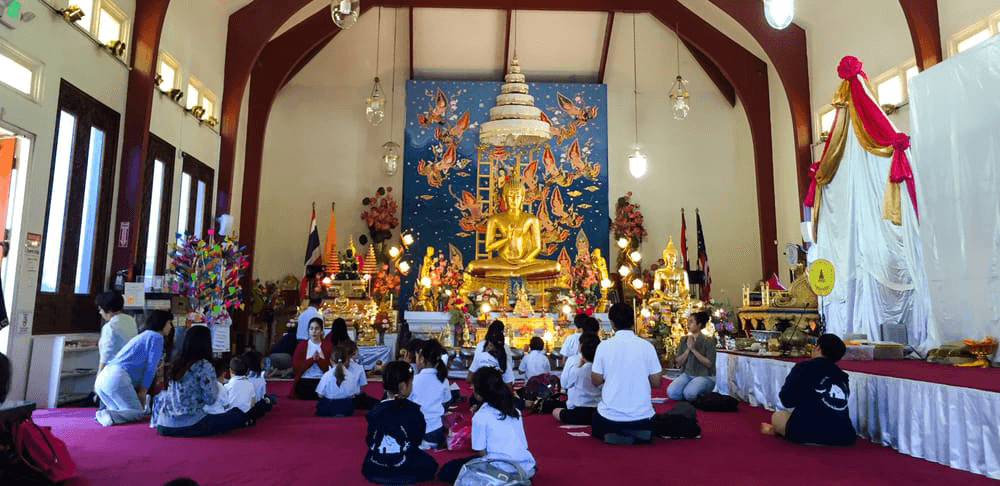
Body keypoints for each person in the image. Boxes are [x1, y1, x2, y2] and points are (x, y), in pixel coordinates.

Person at [438, 368, 536, 484]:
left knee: (448, 470)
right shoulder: (514, 411)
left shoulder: (481, 416)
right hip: (524, 467)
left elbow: (481, 451)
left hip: (498, 467)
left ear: (480, 392)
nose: (472, 389)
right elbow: (523, 443)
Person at [761, 334, 856, 446]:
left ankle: (778, 431)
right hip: (843, 435)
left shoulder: (803, 368)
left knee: (777, 416)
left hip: (807, 432)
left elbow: (787, 401)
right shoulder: (843, 376)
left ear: (818, 348)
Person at [152, 325, 245, 437]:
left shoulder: (176, 363)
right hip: (191, 424)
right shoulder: (204, 365)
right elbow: (211, 399)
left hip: (164, 424)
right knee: (237, 414)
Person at [590, 303, 662, 445]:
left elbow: (596, 381)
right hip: (641, 419)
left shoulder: (604, 346)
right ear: (634, 321)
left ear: (611, 323)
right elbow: (657, 383)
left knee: (596, 418)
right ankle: (635, 433)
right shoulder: (647, 346)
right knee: (651, 414)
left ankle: (617, 434)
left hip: (609, 418)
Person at [362, 361, 439, 485]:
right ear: (403, 386)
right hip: (404, 466)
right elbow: (417, 439)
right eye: (411, 383)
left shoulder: (375, 410)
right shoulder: (414, 410)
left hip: (376, 469)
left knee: (370, 460)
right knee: (430, 464)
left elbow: (370, 440)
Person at [94, 310, 173, 426]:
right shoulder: (156, 337)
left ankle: (106, 415)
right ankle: (107, 415)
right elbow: (151, 368)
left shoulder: (144, 335)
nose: (170, 327)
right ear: (163, 323)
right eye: (169, 323)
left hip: (104, 377)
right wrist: (143, 391)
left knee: (123, 412)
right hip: (117, 378)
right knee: (137, 413)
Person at [667, 311, 717, 402]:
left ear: (699, 325)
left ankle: (699, 392)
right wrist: (688, 349)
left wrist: (694, 350)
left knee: (689, 394)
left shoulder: (709, 341)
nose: (688, 324)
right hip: (687, 374)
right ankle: (691, 391)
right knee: (672, 393)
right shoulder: (684, 340)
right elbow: (678, 362)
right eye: (687, 321)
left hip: (705, 376)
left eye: (691, 322)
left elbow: (709, 364)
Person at [410, 339, 451, 450]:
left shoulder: (413, 380)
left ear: (422, 359)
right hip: (435, 432)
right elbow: (446, 401)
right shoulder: (443, 380)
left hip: (415, 431)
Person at [553, 333, 601, 425]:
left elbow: (565, 385)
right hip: (597, 410)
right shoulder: (600, 371)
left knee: (555, 411)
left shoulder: (577, 370)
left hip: (579, 410)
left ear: (581, 350)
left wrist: (579, 366)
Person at [315, 344, 364, 417]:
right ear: (346, 361)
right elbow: (355, 394)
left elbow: (320, 394)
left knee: (321, 403)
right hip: (346, 408)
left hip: (329, 408)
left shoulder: (327, 375)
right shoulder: (351, 375)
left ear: (331, 360)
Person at [95, 292, 138, 374]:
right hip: (129, 371)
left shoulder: (110, 327)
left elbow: (105, 357)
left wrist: (98, 378)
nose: (100, 312)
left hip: (111, 373)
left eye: (101, 309)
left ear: (109, 310)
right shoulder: (130, 320)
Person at [291, 318, 333, 399]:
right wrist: (311, 359)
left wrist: (319, 360)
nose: (314, 331)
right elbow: (295, 366)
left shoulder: (328, 346)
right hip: (305, 380)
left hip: (321, 380)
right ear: (308, 330)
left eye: (317, 329)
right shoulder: (302, 345)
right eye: (311, 329)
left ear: (321, 331)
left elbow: (331, 368)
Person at [469, 320, 514, 386]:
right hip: (499, 386)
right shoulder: (506, 348)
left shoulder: (481, 350)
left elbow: (471, 374)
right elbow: (509, 376)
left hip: (481, 384)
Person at [560, 316, 600, 386]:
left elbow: (564, 383)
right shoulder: (599, 361)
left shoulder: (572, 360)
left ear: (581, 346)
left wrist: (579, 366)